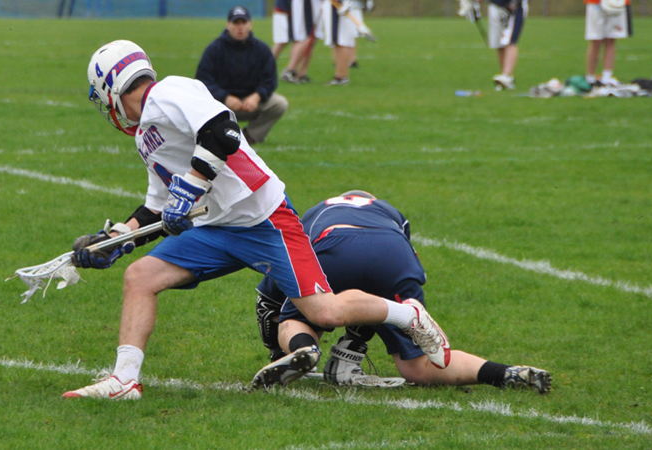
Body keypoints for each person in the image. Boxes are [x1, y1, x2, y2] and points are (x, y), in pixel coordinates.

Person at [62, 40, 450, 400]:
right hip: (217, 226)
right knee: (140, 277)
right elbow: (158, 206)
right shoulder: (145, 133)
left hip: (263, 219)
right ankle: (125, 379)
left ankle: (407, 314)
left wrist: (191, 188)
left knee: (324, 312)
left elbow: (223, 132)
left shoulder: (167, 93)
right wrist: (116, 238)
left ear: (112, 88)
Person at [252, 191, 552, 393]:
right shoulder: (390, 212)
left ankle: (306, 348)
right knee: (419, 365)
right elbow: (387, 262)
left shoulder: (315, 213)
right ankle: (505, 373)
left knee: (296, 321)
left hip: (333, 244)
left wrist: (276, 352)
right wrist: (357, 338)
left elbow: (270, 297)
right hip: (395, 256)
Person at [195, 6, 287, 145]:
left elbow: (270, 80)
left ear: (250, 24)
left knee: (279, 104)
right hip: (222, 106)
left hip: (250, 103)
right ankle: (214, 135)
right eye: (236, 23)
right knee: (199, 107)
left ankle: (249, 136)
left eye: (243, 23)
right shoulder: (214, 49)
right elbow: (203, 81)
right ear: (228, 25)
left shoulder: (262, 50)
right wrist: (225, 97)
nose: (240, 27)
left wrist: (257, 96)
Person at [321, 0, 373, 86]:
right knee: (345, 40)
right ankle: (342, 75)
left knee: (341, 41)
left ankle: (341, 76)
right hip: (349, 5)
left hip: (339, 4)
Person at [584, 0, 633, 87]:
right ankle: (590, 78)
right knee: (595, 40)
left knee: (611, 39)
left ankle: (606, 78)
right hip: (595, 3)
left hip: (616, 3)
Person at [273, 0, 322, 84]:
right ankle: (291, 71)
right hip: (297, 5)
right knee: (304, 36)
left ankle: (300, 73)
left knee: (309, 36)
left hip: (298, 5)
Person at [487, 0, 528, 91]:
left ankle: (506, 75)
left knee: (510, 41)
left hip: (514, 6)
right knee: (499, 44)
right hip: (495, 4)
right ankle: (505, 78)